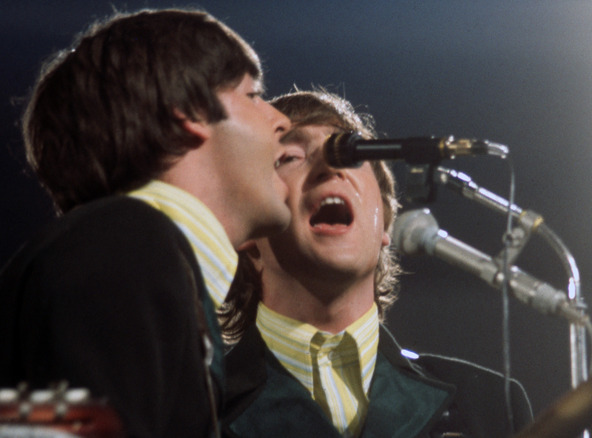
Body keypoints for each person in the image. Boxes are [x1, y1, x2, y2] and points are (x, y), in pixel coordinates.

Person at [0, 8, 292, 437]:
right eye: (252, 95)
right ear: (189, 111)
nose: (280, 120)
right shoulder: (124, 246)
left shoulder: (120, 251)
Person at [218, 89, 532, 437]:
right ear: (244, 226)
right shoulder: (186, 412)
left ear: (384, 221)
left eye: (350, 153)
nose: (330, 166)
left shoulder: (491, 406)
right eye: (290, 157)